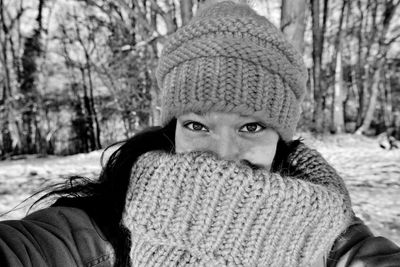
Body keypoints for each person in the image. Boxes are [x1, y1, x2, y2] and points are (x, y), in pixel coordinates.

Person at [1, 1, 399, 266]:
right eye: (198, 125)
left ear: (282, 135)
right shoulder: (115, 216)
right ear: (172, 127)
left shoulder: (324, 223)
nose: (223, 154)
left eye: (252, 126)